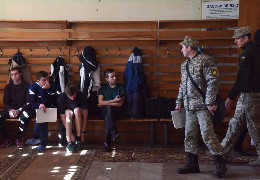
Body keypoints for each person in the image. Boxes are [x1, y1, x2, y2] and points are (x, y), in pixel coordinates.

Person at [175, 36, 226, 178]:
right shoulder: (184, 65)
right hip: (189, 107)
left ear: (189, 48)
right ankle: (192, 164)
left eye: (183, 47)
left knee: (208, 135)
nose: (181, 50)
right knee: (189, 136)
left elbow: (213, 82)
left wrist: (210, 102)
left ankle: (220, 164)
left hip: (203, 106)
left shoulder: (206, 60)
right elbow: (182, 85)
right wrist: (179, 101)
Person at [221, 27, 260, 166]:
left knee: (253, 127)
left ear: (246, 38)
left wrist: (230, 97)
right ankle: (221, 153)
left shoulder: (247, 54)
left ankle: (221, 154)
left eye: (238, 38)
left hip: (249, 96)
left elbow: (241, 79)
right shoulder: (255, 52)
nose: (235, 40)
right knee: (237, 124)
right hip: (253, 96)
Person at [0, 67, 32, 148]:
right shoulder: (8, 87)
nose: (14, 76)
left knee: (26, 116)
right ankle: (7, 138)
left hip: (22, 109)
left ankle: (19, 138)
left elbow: (28, 102)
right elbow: (5, 102)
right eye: (12, 75)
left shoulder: (26, 86)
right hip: (10, 110)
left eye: (16, 74)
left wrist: (18, 110)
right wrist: (10, 110)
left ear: (20, 75)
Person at [98, 69, 125, 152]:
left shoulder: (121, 88)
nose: (115, 78)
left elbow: (120, 104)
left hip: (117, 113)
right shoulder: (103, 88)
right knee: (108, 112)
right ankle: (113, 132)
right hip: (104, 112)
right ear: (107, 79)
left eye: (115, 76)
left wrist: (105, 103)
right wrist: (114, 101)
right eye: (112, 77)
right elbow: (100, 102)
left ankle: (109, 141)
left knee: (108, 116)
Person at [28, 71, 56, 152]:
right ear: (38, 81)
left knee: (43, 117)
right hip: (37, 109)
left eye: (47, 79)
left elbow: (49, 102)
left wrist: (43, 90)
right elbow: (32, 103)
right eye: (44, 80)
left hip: (51, 108)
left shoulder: (51, 85)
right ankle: (41, 142)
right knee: (42, 116)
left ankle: (36, 137)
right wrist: (39, 105)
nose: (47, 82)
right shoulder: (33, 87)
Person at [57, 82, 88, 153]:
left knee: (76, 110)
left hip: (78, 113)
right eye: (69, 96)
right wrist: (71, 135)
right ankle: (69, 142)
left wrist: (83, 133)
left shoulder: (82, 95)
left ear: (76, 91)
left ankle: (78, 137)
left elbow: (85, 115)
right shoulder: (61, 98)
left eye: (74, 95)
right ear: (66, 93)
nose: (72, 98)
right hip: (68, 114)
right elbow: (63, 118)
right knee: (68, 113)